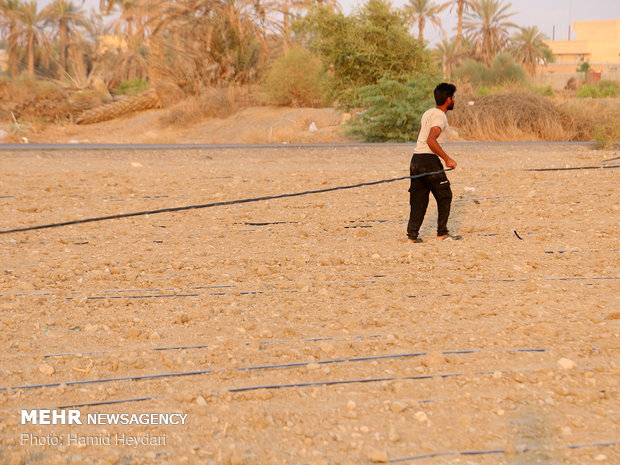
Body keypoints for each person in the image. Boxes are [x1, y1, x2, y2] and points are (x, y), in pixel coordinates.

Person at [406, 82, 459, 243]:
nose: (454, 100)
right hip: (429, 160)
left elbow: (419, 137)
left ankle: (412, 237)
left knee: (419, 200)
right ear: (448, 99)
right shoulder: (440, 116)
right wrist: (447, 159)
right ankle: (442, 233)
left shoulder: (427, 113)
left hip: (416, 159)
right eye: (453, 97)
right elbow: (430, 140)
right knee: (445, 195)